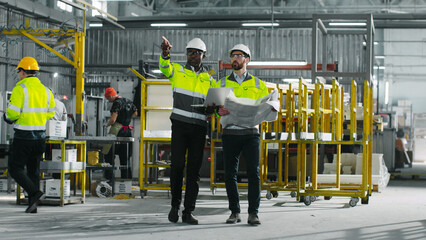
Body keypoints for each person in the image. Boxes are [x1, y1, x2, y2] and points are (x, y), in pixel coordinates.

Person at [214, 44, 279, 225]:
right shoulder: (221, 83)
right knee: (229, 174)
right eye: (233, 56)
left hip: (251, 133)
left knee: (254, 173)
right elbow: (211, 107)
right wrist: (217, 111)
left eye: (239, 56)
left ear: (247, 59)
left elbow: (266, 109)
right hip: (230, 133)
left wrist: (272, 107)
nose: (234, 59)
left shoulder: (259, 84)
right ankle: (235, 212)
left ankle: (253, 213)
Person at [160, 36, 215, 225]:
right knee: (176, 166)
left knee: (194, 172)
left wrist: (213, 110)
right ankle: (174, 206)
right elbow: (164, 67)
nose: (193, 55)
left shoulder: (209, 80)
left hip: (199, 128)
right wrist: (165, 54)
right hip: (180, 125)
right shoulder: (177, 71)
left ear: (203, 56)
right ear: (186, 54)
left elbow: (214, 104)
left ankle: (188, 211)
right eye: (190, 52)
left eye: (197, 53)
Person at [3, 56, 55, 213]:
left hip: (23, 137)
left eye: (19, 71)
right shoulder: (46, 91)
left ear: (24, 72)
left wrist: (6, 117)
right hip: (40, 137)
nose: (18, 74)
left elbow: (11, 114)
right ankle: (33, 205)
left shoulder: (20, 89)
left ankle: (34, 192)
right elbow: (50, 113)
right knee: (33, 171)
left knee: (15, 168)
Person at [102, 87, 138, 180]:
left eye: (108, 98)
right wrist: (126, 117)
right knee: (125, 159)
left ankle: (109, 179)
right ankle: (126, 181)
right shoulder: (128, 101)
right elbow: (135, 113)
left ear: (112, 95)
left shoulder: (117, 103)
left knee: (108, 154)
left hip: (117, 130)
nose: (109, 101)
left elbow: (113, 119)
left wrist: (106, 125)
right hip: (127, 130)